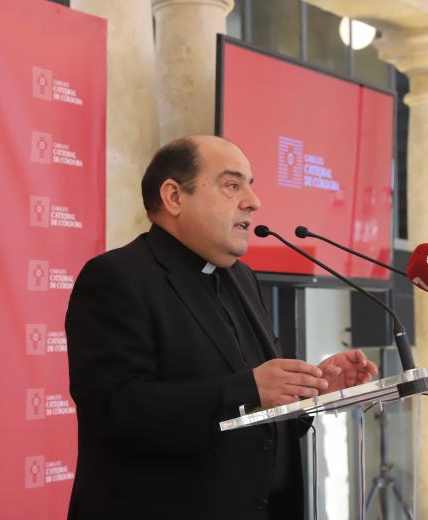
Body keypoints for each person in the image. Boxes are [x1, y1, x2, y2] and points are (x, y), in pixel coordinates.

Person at [65, 135, 378, 519]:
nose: (253, 201)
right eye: (232, 185)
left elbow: (255, 405)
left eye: (250, 185)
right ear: (174, 197)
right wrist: (250, 387)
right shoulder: (118, 277)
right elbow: (114, 410)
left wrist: (310, 389)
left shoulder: (242, 278)